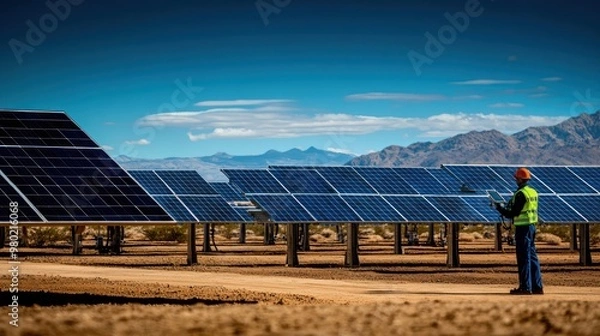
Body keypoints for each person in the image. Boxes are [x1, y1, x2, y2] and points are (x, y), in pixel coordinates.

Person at [495, 167, 544, 295]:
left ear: (521, 179)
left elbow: (513, 213)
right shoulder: (533, 192)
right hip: (532, 226)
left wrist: (499, 209)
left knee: (523, 257)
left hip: (523, 228)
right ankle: (537, 286)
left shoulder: (521, 194)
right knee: (532, 257)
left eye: (517, 178)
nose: (515, 180)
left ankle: (525, 287)